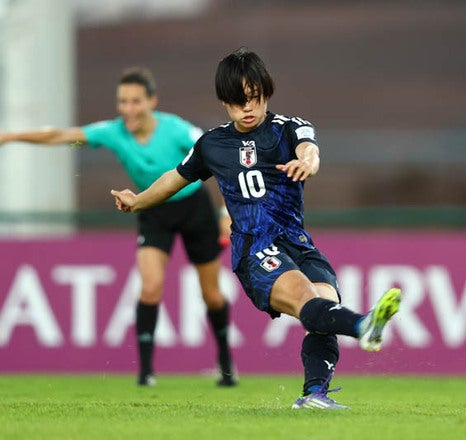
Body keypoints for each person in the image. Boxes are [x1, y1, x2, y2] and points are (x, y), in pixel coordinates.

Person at [110, 48, 401, 409]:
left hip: (296, 242)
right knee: (308, 300)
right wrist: (138, 201)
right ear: (224, 101)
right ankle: (363, 326)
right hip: (254, 248)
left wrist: (306, 163)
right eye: (237, 101)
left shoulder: (290, 128)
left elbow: (310, 152)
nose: (247, 108)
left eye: (254, 97)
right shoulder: (212, 144)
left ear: (266, 91)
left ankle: (314, 395)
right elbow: (175, 178)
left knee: (325, 309)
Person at [0, 67, 237, 387]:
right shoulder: (113, 132)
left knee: (211, 294)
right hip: (152, 209)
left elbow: (220, 160)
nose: (128, 109)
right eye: (123, 101)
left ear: (152, 101)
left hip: (195, 209)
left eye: (136, 101)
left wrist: (225, 212)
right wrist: (11, 137)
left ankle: (226, 364)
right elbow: (62, 136)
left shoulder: (177, 130)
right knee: (150, 287)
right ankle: (146, 374)